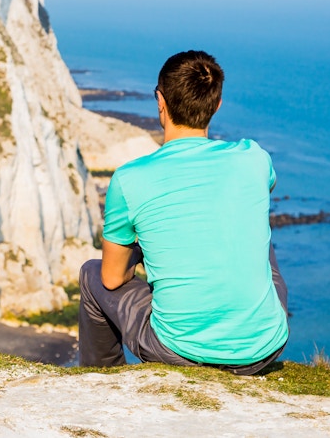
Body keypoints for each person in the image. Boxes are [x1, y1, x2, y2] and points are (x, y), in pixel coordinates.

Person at [78, 50, 289, 375]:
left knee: (91, 273)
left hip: (178, 351)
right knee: (258, 231)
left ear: (160, 101)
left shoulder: (131, 178)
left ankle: (102, 382)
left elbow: (111, 277)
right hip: (263, 349)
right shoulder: (254, 158)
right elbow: (254, 198)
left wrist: (143, 250)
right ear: (216, 105)